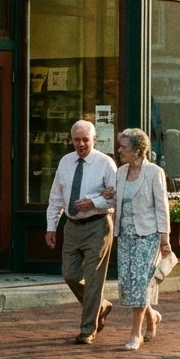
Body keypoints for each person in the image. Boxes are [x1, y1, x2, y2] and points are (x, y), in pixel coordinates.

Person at [45, 120, 119, 344]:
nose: (81, 144)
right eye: (76, 140)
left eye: (85, 139)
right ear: (71, 140)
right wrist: (51, 226)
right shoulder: (66, 162)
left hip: (98, 225)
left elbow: (116, 197)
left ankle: (88, 329)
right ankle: (102, 306)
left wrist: (95, 202)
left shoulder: (106, 163)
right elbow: (56, 196)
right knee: (70, 274)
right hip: (72, 226)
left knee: (95, 279)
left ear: (94, 139)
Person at [111, 128, 170, 351]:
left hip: (148, 235)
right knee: (127, 284)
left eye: (124, 147)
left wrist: (165, 238)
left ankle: (135, 334)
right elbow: (116, 201)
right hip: (124, 235)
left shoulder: (155, 173)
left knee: (139, 281)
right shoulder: (120, 172)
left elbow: (162, 207)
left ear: (138, 150)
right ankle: (152, 315)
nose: (119, 151)